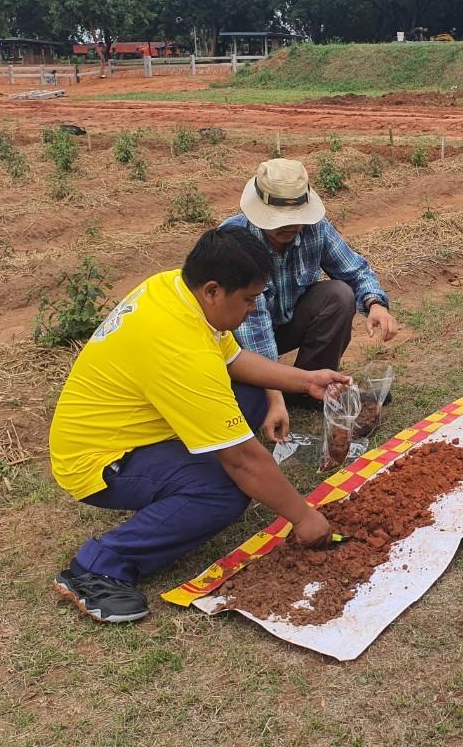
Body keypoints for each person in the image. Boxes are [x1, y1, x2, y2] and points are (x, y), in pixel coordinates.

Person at [48, 226, 350, 623]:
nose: (252, 311)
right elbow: (242, 461)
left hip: (135, 427)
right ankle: (99, 566)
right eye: (248, 300)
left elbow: (233, 360)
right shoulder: (179, 348)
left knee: (253, 393)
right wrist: (305, 518)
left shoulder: (174, 289)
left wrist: (305, 379)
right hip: (98, 460)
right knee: (224, 489)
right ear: (213, 290)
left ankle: (173, 483)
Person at [222, 159, 398, 411]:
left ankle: (309, 391)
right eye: (279, 219)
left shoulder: (316, 230)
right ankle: (291, 389)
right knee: (250, 406)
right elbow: (255, 332)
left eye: (295, 217)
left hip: (284, 323)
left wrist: (376, 304)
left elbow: (355, 270)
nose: (288, 226)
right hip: (236, 340)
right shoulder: (236, 242)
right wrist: (274, 395)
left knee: (338, 295)